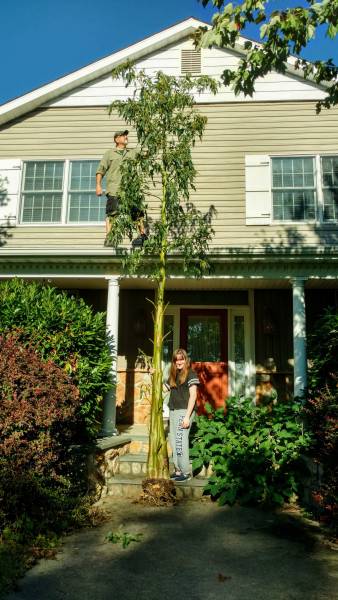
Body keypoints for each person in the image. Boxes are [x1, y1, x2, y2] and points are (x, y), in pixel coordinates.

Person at [95, 130, 147, 247]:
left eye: (126, 135)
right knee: (112, 214)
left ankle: (142, 236)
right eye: (123, 135)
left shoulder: (132, 153)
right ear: (117, 139)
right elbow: (100, 170)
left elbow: (146, 153)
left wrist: (147, 136)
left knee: (137, 213)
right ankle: (110, 237)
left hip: (131, 190)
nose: (126, 137)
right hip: (114, 189)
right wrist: (98, 185)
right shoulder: (109, 154)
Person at [165, 348, 200, 482]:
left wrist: (187, 416)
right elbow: (163, 388)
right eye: (176, 359)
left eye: (181, 359)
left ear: (186, 360)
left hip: (184, 411)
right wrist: (153, 375)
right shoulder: (174, 375)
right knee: (173, 440)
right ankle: (178, 470)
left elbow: (193, 396)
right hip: (173, 410)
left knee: (180, 440)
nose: (179, 362)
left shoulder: (191, 374)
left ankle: (185, 472)